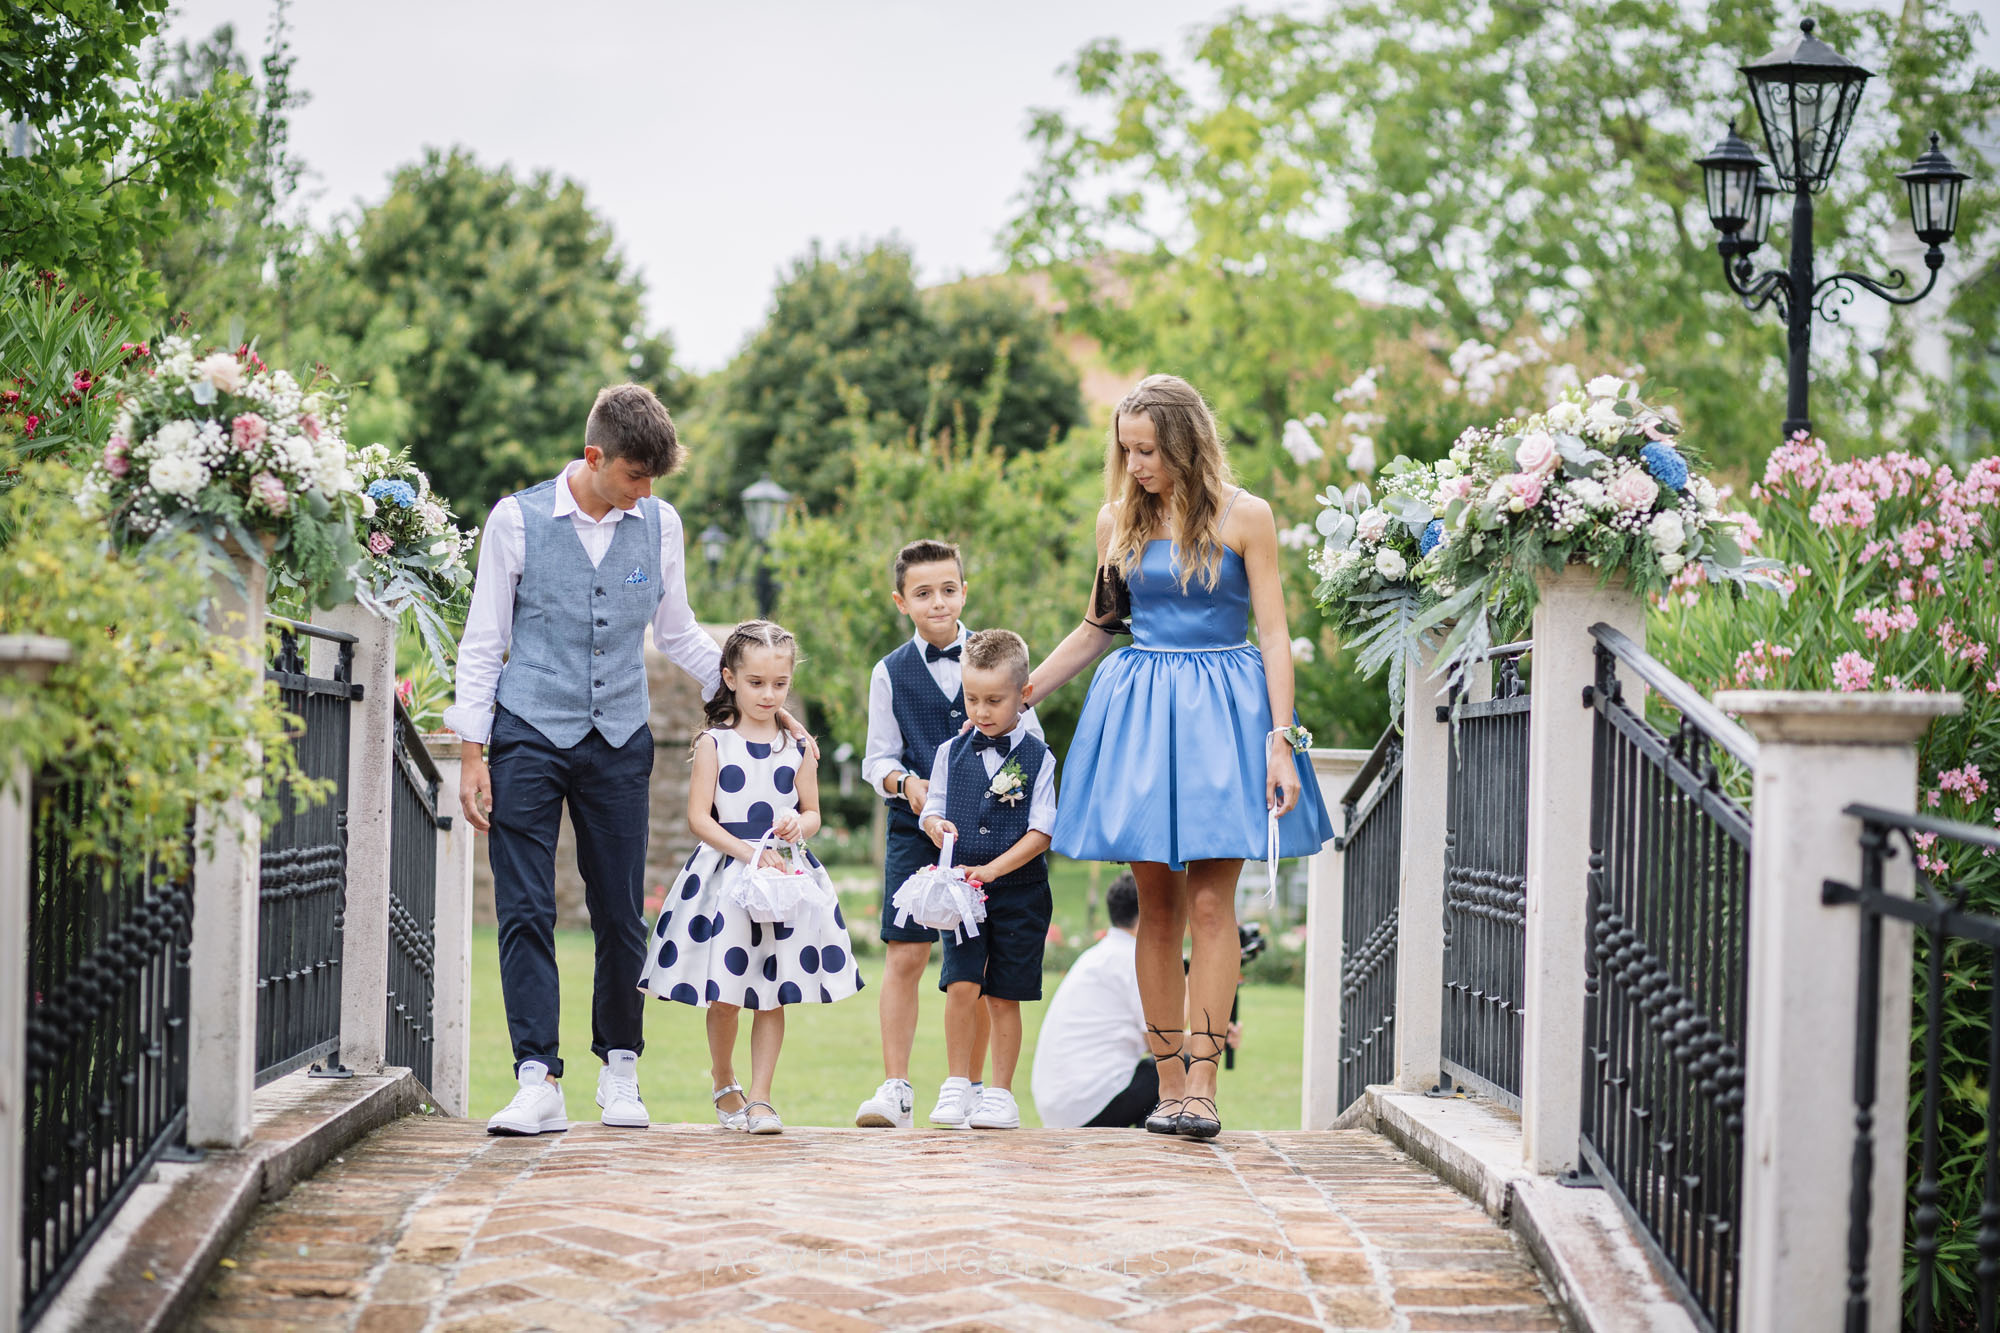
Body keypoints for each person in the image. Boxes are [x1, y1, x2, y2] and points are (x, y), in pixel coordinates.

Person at [447, 383, 806, 1137]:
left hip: (617, 737)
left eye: (653, 480)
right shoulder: (516, 521)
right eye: (635, 476)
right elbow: (483, 644)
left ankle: (620, 1067)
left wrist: (753, 700)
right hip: (528, 731)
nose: (645, 491)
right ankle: (537, 1078)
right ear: (594, 456)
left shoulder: (660, 524)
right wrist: (473, 753)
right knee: (525, 908)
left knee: (618, 909)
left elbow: (676, 633)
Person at [1025, 374, 1334, 1140]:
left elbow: (1273, 635)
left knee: (1211, 906)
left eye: (1149, 451)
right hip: (1141, 714)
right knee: (1156, 909)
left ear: (1186, 443)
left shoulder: (1246, 516)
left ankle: (1202, 1084)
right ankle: (1166, 1084)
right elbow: (1097, 628)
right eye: (1127, 451)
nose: (1136, 465)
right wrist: (1018, 693)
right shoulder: (1117, 520)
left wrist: (1282, 740)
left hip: (1226, 715)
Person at [638, 620, 862, 1135]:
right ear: (730, 679)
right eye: (756, 682)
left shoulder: (798, 747)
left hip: (783, 880)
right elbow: (700, 819)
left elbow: (813, 813)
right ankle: (724, 1080)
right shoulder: (715, 744)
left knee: (772, 991)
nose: (768, 694)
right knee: (727, 993)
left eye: (779, 684)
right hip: (727, 881)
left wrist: (798, 825)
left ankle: (761, 1098)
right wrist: (749, 855)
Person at [854, 540, 1042, 1130]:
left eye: (948, 589)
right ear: (901, 602)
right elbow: (876, 759)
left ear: (964, 591)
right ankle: (896, 1088)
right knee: (906, 951)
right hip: (916, 826)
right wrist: (908, 785)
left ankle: (972, 1087)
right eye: (923, 593)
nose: (937, 602)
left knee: (977, 965)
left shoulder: (998, 659)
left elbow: (1030, 745)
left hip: (990, 838)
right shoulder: (889, 672)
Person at [918, 629, 1058, 1131]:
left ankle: (1000, 1094)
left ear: (1024, 694)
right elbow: (932, 807)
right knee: (960, 983)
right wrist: (935, 825)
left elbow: (1042, 831)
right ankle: (957, 1083)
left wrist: (996, 869)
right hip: (961, 895)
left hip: (1021, 895)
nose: (980, 711)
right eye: (971, 698)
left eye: (994, 701)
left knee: (1003, 994)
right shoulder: (949, 752)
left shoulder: (1040, 758)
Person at [1031, 873, 1151, 1128]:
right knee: (1181, 1068)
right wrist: (1210, 1041)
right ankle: (1155, 1149)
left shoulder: (1100, 954)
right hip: (1088, 1103)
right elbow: (1162, 1041)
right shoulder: (1134, 959)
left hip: (1061, 1105)